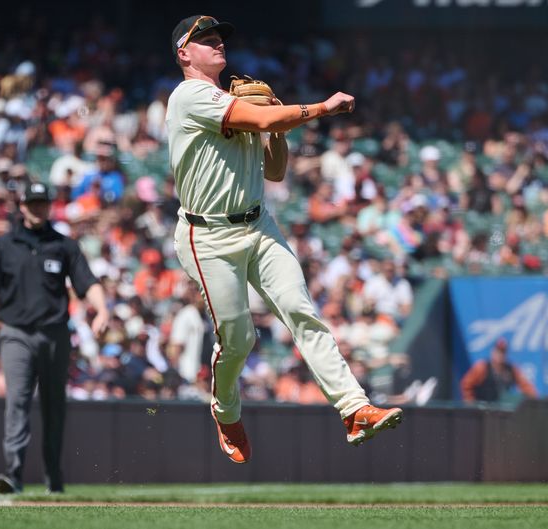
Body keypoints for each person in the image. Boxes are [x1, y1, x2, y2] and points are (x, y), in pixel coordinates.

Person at [166, 15, 402, 463]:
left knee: (301, 311)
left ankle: (354, 408)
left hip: (257, 225)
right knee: (239, 338)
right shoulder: (189, 96)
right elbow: (256, 117)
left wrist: (273, 126)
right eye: (206, 40)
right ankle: (225, 408)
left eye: (219, 40)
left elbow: (274, 170)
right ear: (184, 53)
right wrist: (318, 109)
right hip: (207, 234)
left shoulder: (232, 98)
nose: (218, 45)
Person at [0, 182, 109, 494]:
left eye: (42, 203)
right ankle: (14, 474)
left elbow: (88, 282)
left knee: (54, 406)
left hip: (55, 335)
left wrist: (101, 310)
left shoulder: (63, 245)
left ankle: (53, 477)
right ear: (21, 206)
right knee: (17, 401)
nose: (37, 208)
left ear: (50, 206)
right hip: (16, 333)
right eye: (31, 203)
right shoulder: (4, 245)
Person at [460, 338, 538, 404]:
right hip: (482, 413)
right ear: (492, 352)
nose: (500, 355)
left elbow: (527, 386)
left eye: (503, 352)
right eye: (498, 351)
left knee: (517, 399)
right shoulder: (482, 367)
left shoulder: (511, 369)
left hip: (500, 412)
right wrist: (471, 404)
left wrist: (534, 401)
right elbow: (466, 384)